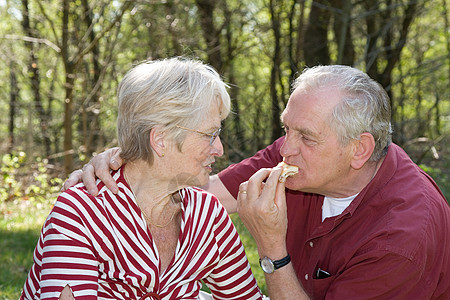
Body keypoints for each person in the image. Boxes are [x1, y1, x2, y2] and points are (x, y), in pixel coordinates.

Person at [64, 65, 450, 299]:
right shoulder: (299, 155)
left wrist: (271, 249)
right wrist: (127, 158)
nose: (285, 149)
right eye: (287, 130)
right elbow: (194, 185)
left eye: (306, 137)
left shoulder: (402, 240)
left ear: (359, 150)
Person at [21, 57, 263, 300]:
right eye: (209, 135)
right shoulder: (82, 212)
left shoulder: (207, 216)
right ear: (160, 140)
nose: (219, 149)